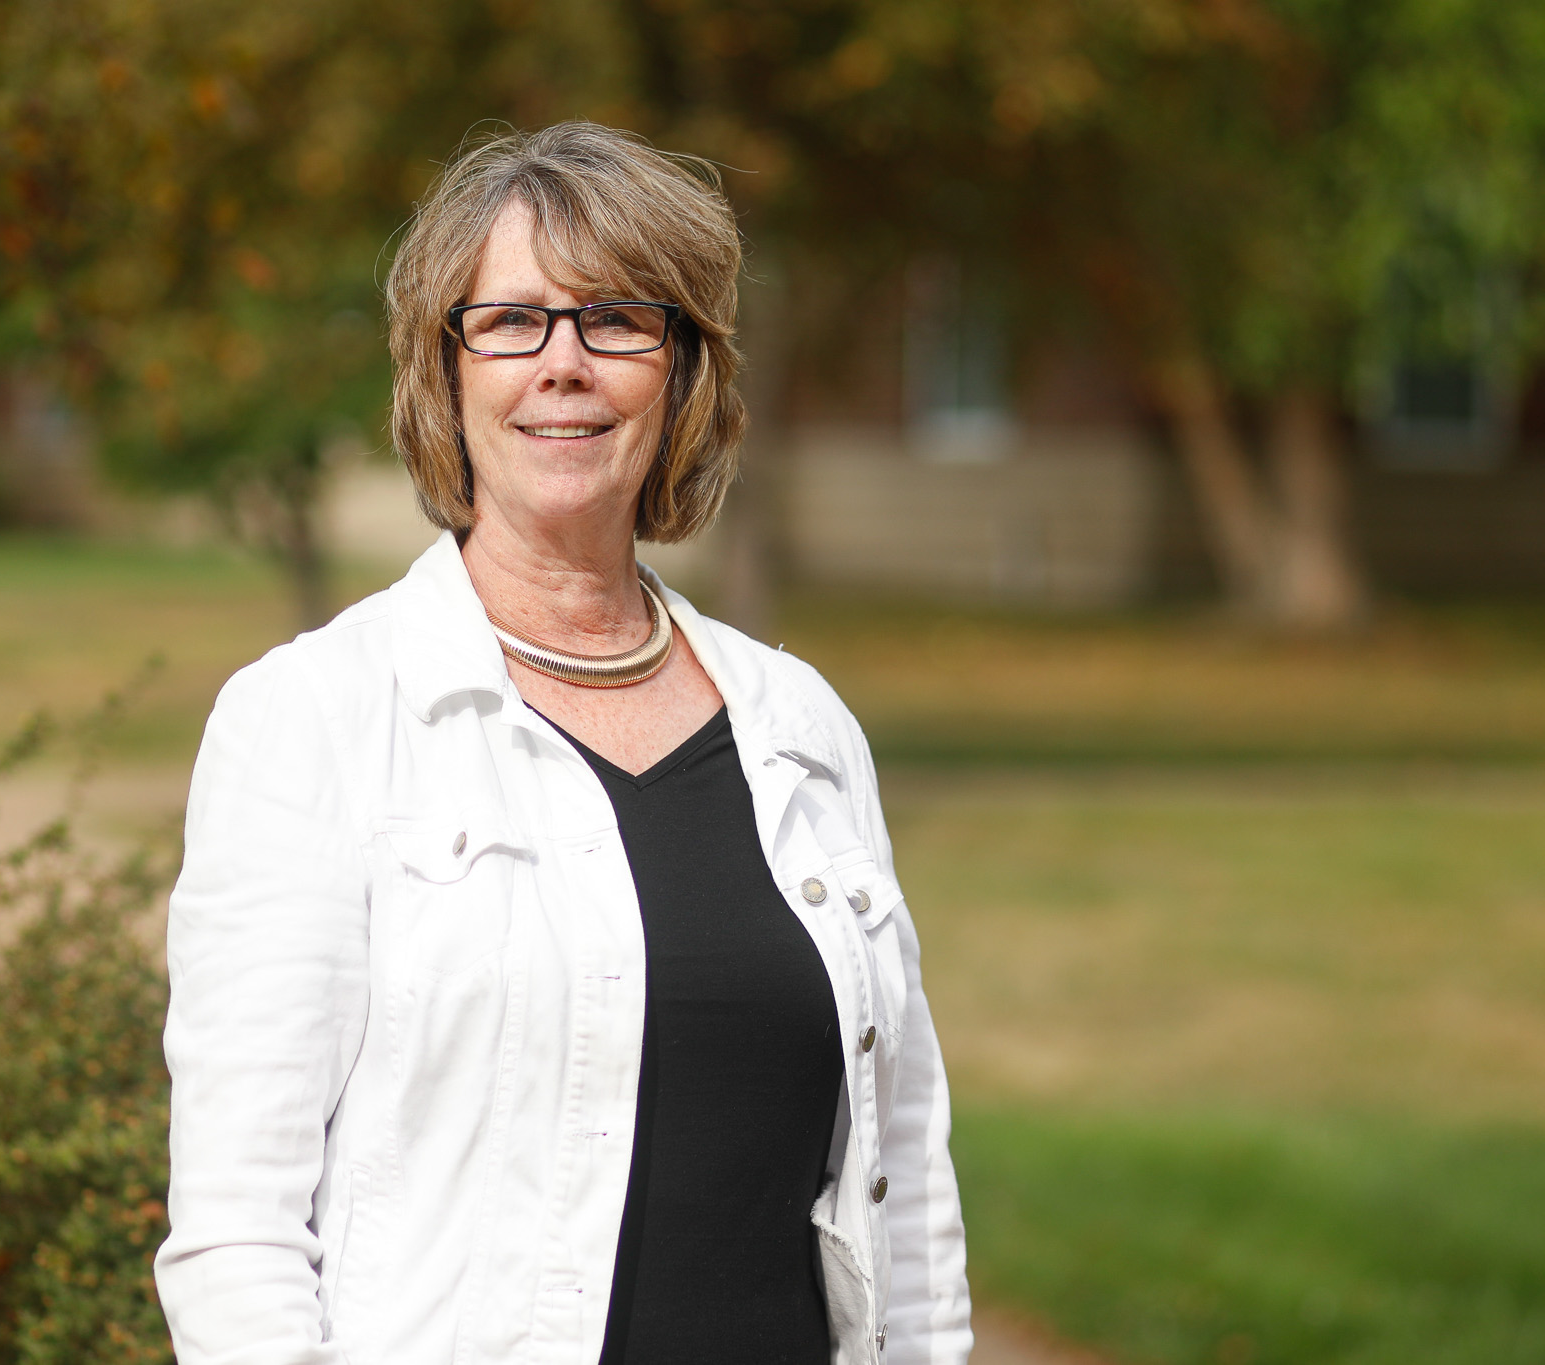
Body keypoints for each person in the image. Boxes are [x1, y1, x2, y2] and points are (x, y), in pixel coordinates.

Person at [155, 121, 972, 1365]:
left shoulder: (799, 728)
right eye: (512, 321)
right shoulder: (315, 716)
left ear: (682, 368)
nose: (563, 363)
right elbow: (238, 1232)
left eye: (615, 321)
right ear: (448, 367)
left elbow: (900, 1176)